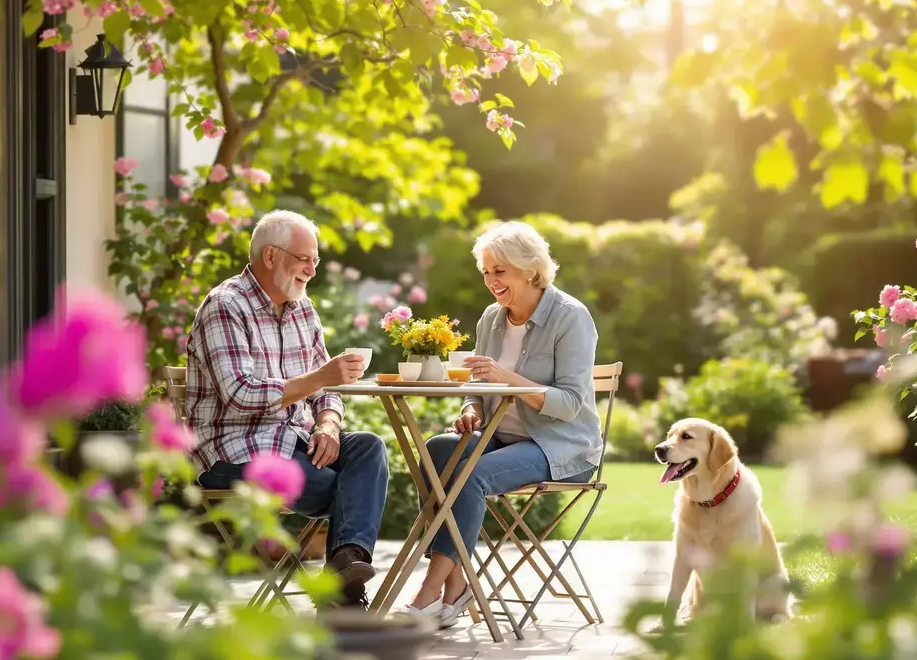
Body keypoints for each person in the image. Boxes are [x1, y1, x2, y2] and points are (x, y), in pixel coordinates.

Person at [185, 209, 389, 609]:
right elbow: (239, 393)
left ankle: (344, 569)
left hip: (292, 442)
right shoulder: (225, 306)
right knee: (347, 491)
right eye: (304, 259)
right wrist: (320, 379)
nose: (312, 270)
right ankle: (343, 598)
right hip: (233, 453)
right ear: (271, 256)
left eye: (316, 260)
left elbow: (326, 389)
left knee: (368, 447)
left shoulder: (302, 308)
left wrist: (328, 424)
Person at [403, 220, 603, 628]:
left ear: (530, 269)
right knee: (436, 452)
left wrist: (506, 378)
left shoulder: (570, 318)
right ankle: (457, 583)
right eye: (487, 272)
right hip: (499, 436)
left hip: (561, 445)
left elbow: (569, 404)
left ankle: (430, 590)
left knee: (470, 474)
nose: (492, 281)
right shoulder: (492, 318)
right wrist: (471, 410)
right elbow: (479, 384)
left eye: (501, 271)